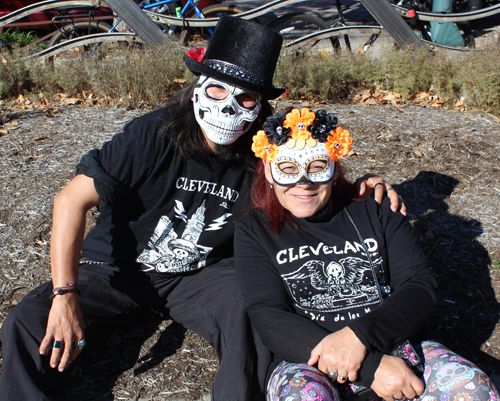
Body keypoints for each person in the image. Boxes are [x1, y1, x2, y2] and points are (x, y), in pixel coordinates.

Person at [0, 18, 401, 401]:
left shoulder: (262, 152)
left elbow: (306, 181)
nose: (229, 108)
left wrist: (359, 187)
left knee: (251, 307)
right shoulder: (153, 134)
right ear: (196, 90)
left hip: (200, 274)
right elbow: (70, 200)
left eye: (245, 97)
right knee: (27, 322)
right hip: (115, 268)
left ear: (259, 106)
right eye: (216, 91)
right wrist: (65, 293)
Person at [234, 108, 499, 401]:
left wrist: (360, 336)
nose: (303, 182)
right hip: (307, 359)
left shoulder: (376, 208)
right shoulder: (254, 229)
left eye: (318, 164)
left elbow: (419, 287)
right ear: (268, 171)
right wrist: (371, 367)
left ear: (335, 167)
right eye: (287, 168)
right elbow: (268, 314)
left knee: (472, 388)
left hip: (399, 347)